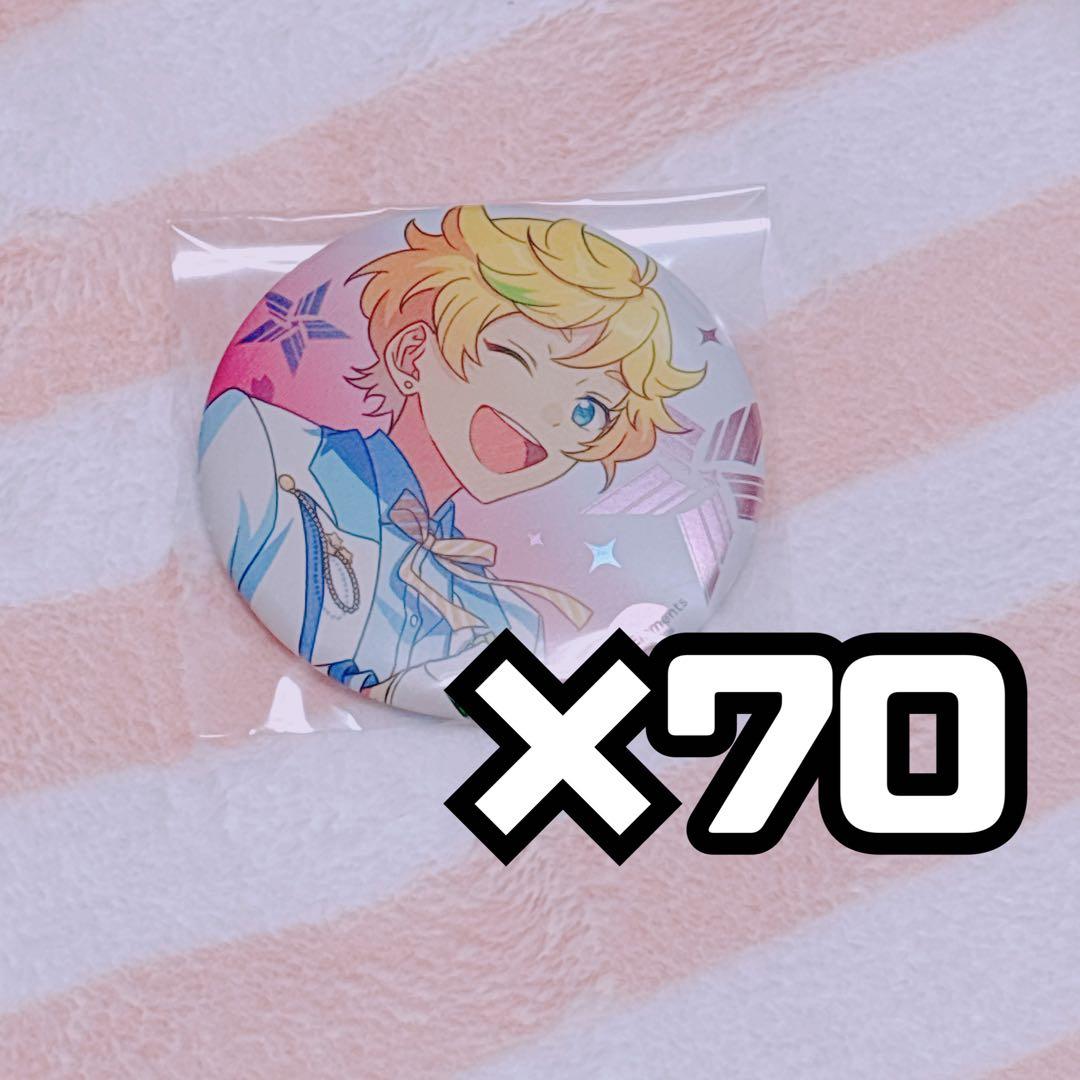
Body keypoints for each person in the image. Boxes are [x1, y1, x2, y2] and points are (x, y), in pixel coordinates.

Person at [199, 205, 702, 711]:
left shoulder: (510, 619)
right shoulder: (265, 448)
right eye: (518, 361)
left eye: (587, 410)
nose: (553, 417)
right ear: (412, 355)